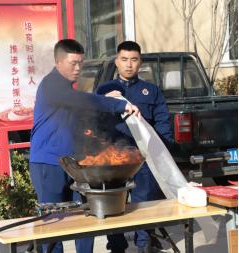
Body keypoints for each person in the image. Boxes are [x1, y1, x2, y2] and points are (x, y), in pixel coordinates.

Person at [29, 39, 140, 253]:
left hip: (74, 163)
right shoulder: (51, 84)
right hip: (47, 163)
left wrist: (104, 99)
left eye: (81, 63)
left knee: (85, 217)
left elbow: (84, 109)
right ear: (58, 62)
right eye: (73, 63)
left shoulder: (68, 89)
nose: (78, 68)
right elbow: (81, 101)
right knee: (52, 223)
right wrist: (119, 104)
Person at [96, 41, 172, 253]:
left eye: (134, 59)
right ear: (116, 62)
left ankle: (143, 245)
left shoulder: (151, 91)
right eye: (124, 59)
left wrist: (161, 149)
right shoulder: (104, 90)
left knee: (144, 203)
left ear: (140, 63)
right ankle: (117, 246)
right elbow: (95, 120)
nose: (129, 65)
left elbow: (163, 122)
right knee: (113, 204)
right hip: (114, 158)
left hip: (143, 157)